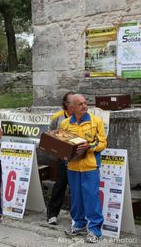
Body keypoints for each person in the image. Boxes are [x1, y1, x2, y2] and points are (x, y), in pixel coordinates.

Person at [61, 94, 107, 243]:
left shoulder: (96, 121)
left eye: (85, 103)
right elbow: (62, 144)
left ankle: (95, 230)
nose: (84, 106)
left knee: (92, 198)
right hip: (73, 166)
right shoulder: (65, 124)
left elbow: (103, 143)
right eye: (80, 104)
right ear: (72, 107)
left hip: (90, 166)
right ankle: (79, 224)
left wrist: (90, 147)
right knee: (76, 198)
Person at [46, 92, 74, 225]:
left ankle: (76, 216)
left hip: (78, 159)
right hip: (62, 158)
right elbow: (49, 134)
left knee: (76, 188)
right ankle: (52, 214)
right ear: (66, 104)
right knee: (59, 186)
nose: (74, 105)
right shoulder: (58, 117)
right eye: (71, 102)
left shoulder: (81, 116)